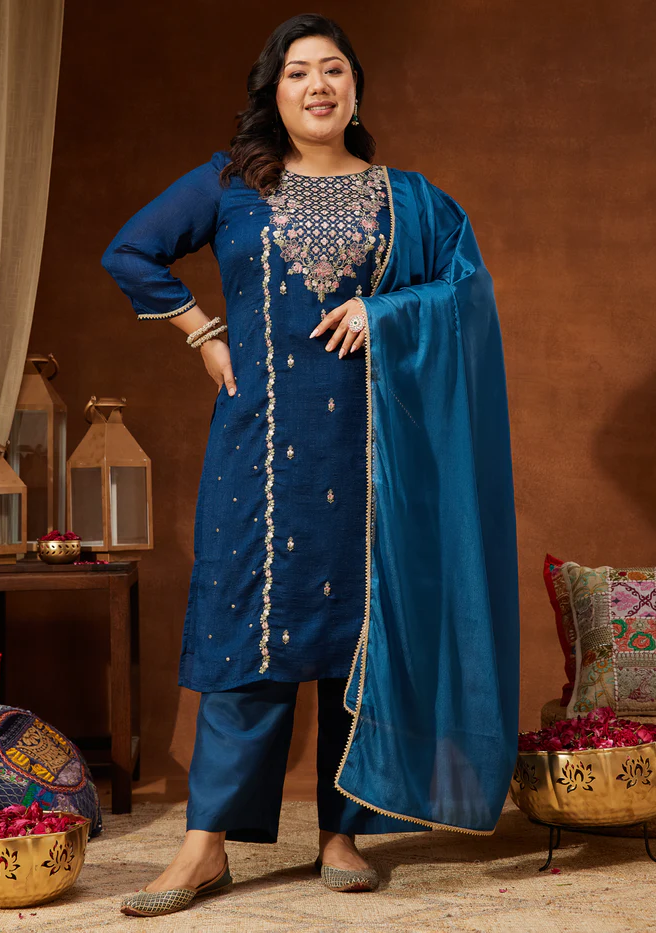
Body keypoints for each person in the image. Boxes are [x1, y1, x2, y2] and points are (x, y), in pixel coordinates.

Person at [101, 13, 520, 920]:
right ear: (274, 92)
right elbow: (130, 249)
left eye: (333, 70)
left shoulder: (409, 199)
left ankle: (343, 830)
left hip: (375, 452)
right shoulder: (231, 182)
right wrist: (201, 331)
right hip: (257, 448)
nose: (317, 86)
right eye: (297, 73)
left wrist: (384, 311)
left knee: (356, 634)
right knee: (244, 635)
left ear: (356, 89)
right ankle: (205, 844)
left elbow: (465, 289)